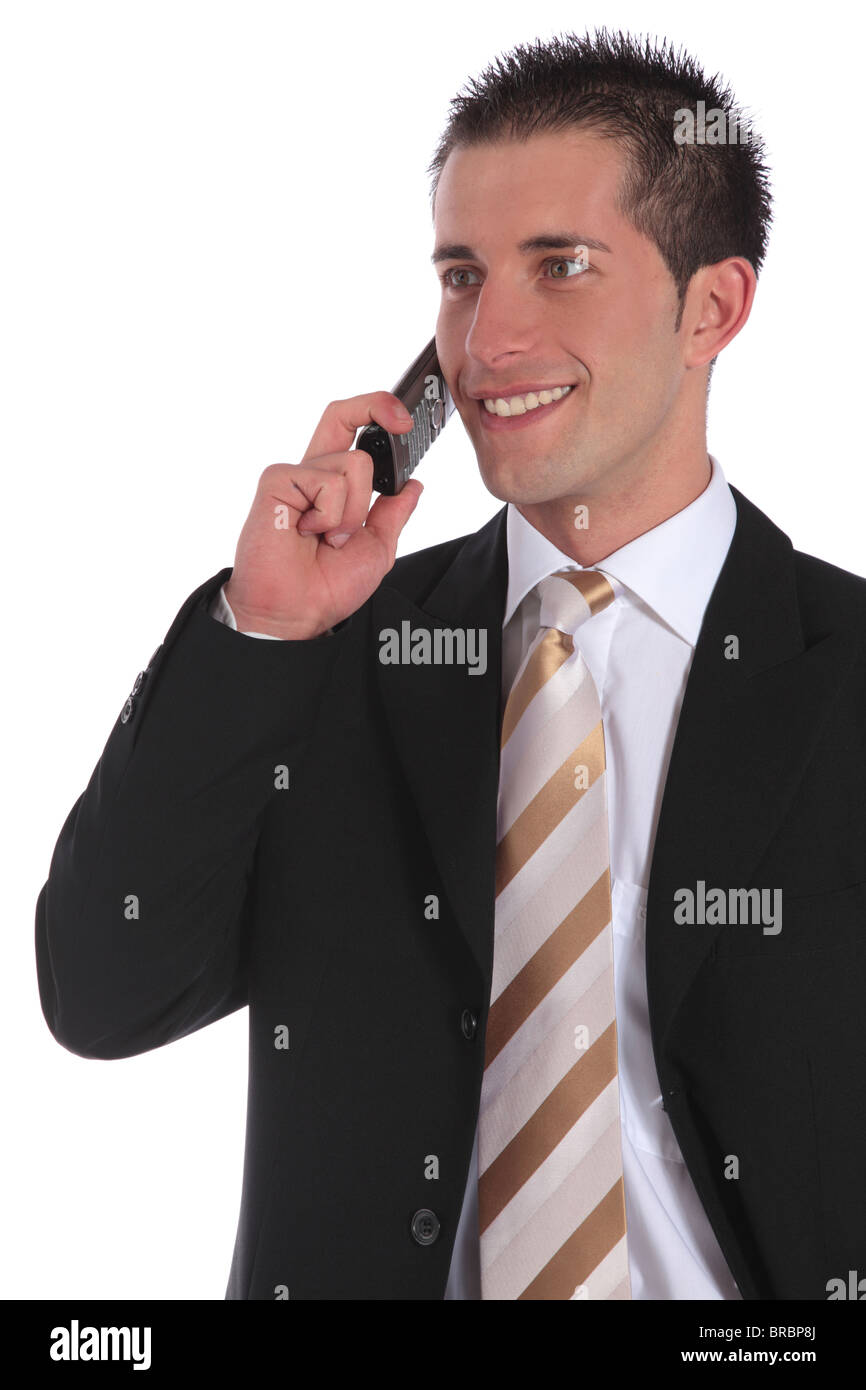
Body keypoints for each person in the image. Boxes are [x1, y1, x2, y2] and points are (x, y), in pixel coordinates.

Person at [35, 29, 866, 1301]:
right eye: (462, 275)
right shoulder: (324, 654)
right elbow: (102, 993)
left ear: (713, 307)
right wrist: (260, 635)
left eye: (560, 265)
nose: (487, 341)